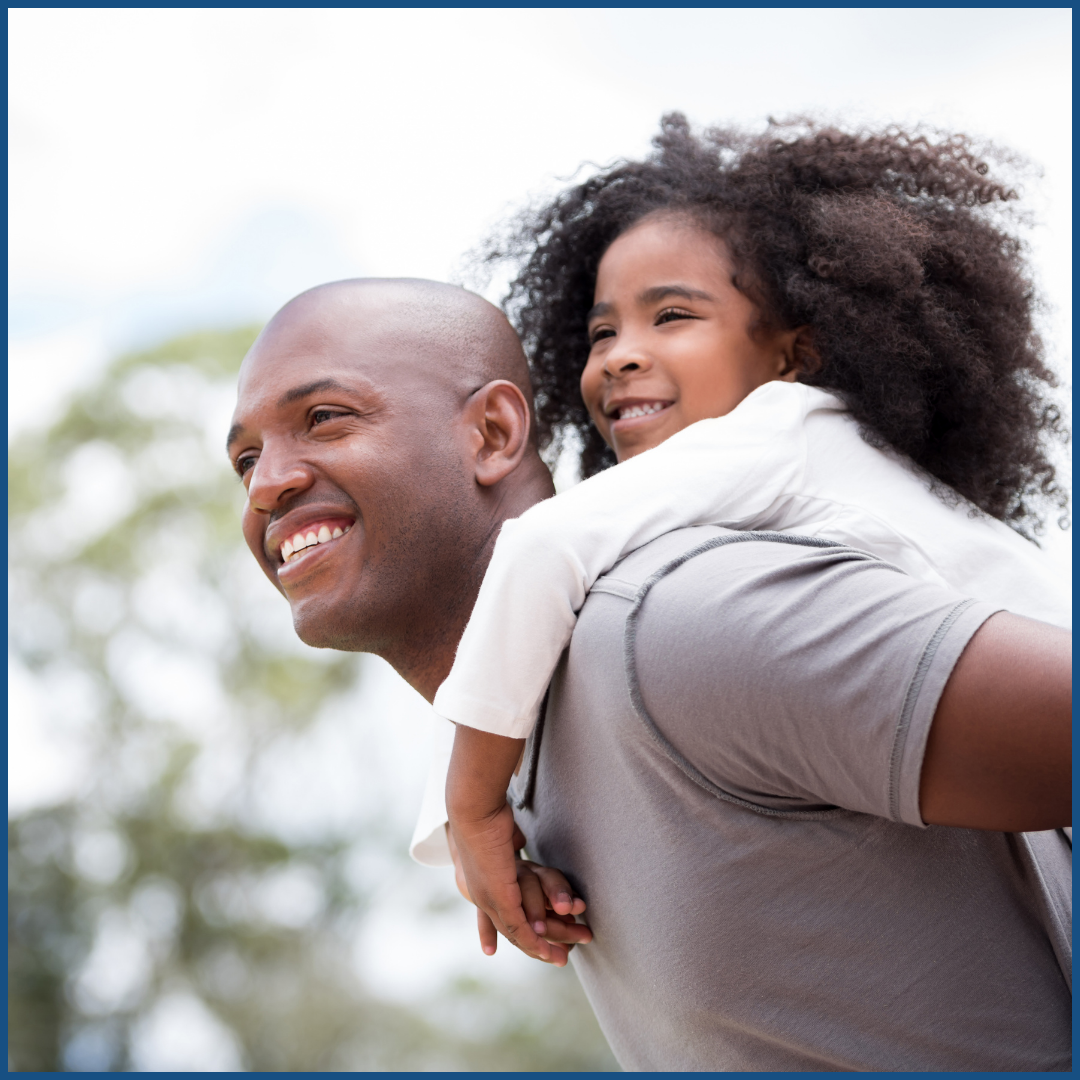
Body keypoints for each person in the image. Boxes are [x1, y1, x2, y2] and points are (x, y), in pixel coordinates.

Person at [227, 277, 1070, 1070]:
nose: (268, 486)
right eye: (244, 460)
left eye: (327, 418)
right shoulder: (519, 753)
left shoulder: (673, 624)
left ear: (490, 434)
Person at [417, 117, 1071, 951]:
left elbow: (542, 549)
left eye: (673, 316)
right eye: (602, 332)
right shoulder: (771, 484)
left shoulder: (780, 428)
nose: (621, 355)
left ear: (792, 356)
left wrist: (471, 810)